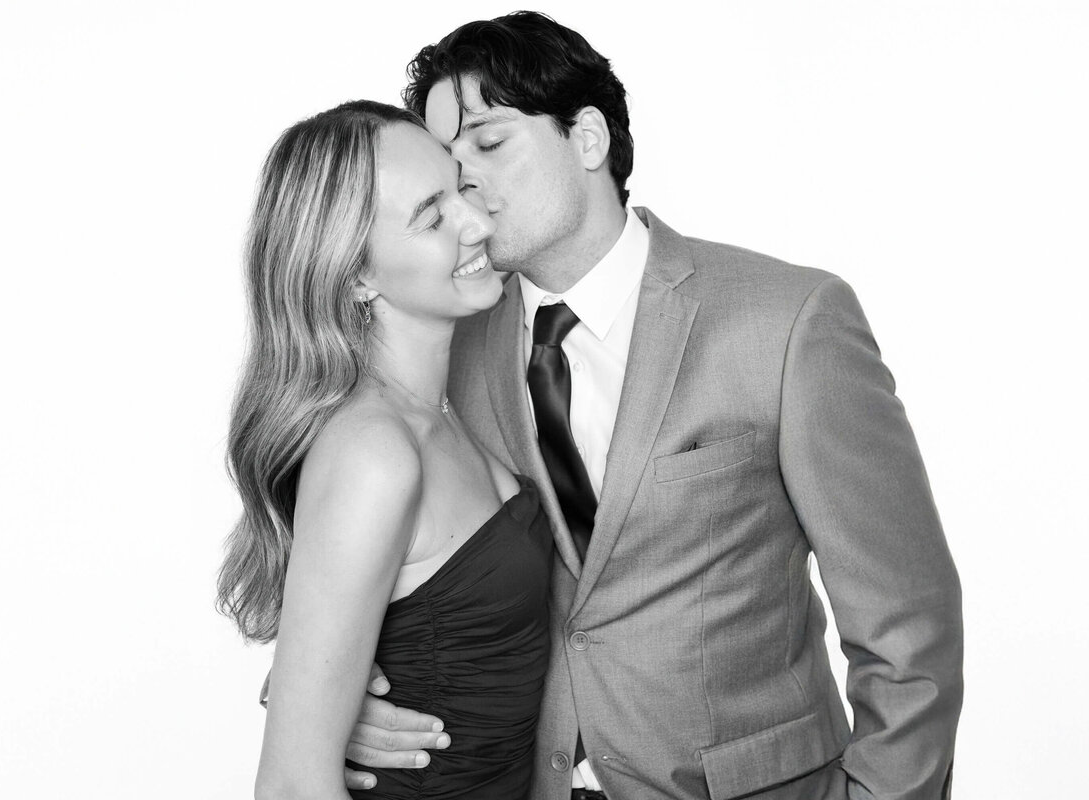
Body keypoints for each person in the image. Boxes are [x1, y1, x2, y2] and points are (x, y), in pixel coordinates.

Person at [343, 12, 963, 800]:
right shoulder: (444, 352)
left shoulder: (786, 322)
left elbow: (909, 627)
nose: (463, 182)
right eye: (447, 163)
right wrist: (342, 696)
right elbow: (367, 560)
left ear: (587, 138)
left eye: (489, 143)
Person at [217, 100, 553, 800]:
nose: (477, 222)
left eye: (461, 188)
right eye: (432, 218)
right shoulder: (373, 453)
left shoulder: (449, 408)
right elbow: (292, 786)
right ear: (356, 277)